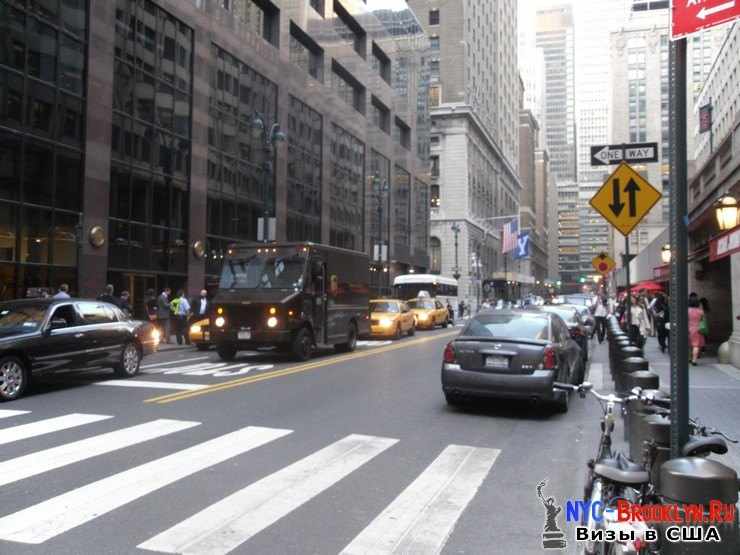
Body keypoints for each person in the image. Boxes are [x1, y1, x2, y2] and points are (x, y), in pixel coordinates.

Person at [688, 296, 705, 365]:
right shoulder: (700, 311)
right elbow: (702, 320)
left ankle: (689, 358)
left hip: (688, 329)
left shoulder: (687, 310)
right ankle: (694, 360)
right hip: (697, 329)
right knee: (696, 345)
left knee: (688, 345)